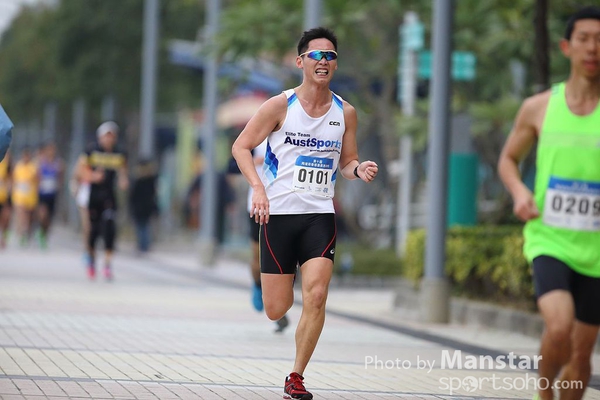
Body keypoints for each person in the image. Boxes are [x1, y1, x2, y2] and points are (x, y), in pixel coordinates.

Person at [232, 27, 378, 400]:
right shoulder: (279, 106)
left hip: (319, 216)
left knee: (316, 295)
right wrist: (258, 188)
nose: (324, 61)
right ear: (301, 62)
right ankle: (282, 283)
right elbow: (241, 147)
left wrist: (358, 169)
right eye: (317, 55)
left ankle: (295, 376)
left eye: (330, 56)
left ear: (336, 65)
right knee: (276, 308)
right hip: (278, 216)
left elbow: (347, 162)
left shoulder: (345, 112)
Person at [498, 6, 600, 400]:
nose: (593, 48)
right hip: (550, 239)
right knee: (559, 328)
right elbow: (509, 159)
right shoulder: (539, 107)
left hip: (596, 248)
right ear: (566, 47)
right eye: (584, 39)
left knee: (582, 351)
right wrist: (520, 192)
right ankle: (544, 394)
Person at [76, 121, 128, 281]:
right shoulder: (91, 151)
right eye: (106, 136)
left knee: (109, 228)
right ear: (100, 137)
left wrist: (123, 181)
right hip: (94, 196)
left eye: (112, 136)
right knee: (93, 231)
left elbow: (123, 171)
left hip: (109, 196)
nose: (109, 139)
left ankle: (107, 264)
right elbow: (79, 171)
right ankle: (91, 261)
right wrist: (93, 176)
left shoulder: (119, 153)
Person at [37, 141, 64, 249]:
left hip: (52, 194)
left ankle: (44, 235)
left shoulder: (58, 163)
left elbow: (60, 177)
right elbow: (37, 176)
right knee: (43, 214)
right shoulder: (41, 162)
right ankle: (40, 229)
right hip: (43, 193)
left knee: (49, 218)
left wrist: (59, 186)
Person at [128, 159, 158, 253]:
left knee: (141, 226)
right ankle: (144, 245)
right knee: (144, 226)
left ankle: (143, 245)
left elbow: (133, 196)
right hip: (146, 207)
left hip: (140, 208)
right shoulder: (151, 180)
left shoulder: (139, 181)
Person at [11, 147, 39, 247]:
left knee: (29, 217)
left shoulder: (33, 167)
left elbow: (37, 180)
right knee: (21, 215)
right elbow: (14, 180)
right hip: (19, 196)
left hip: (30, 196)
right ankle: (22, 233)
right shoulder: (18, 166)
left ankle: (27, 232)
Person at [0, 150, 12, 248]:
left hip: (5, 196)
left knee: (5, 218)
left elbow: (11, 178)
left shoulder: (7, 164)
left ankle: (4, 238)